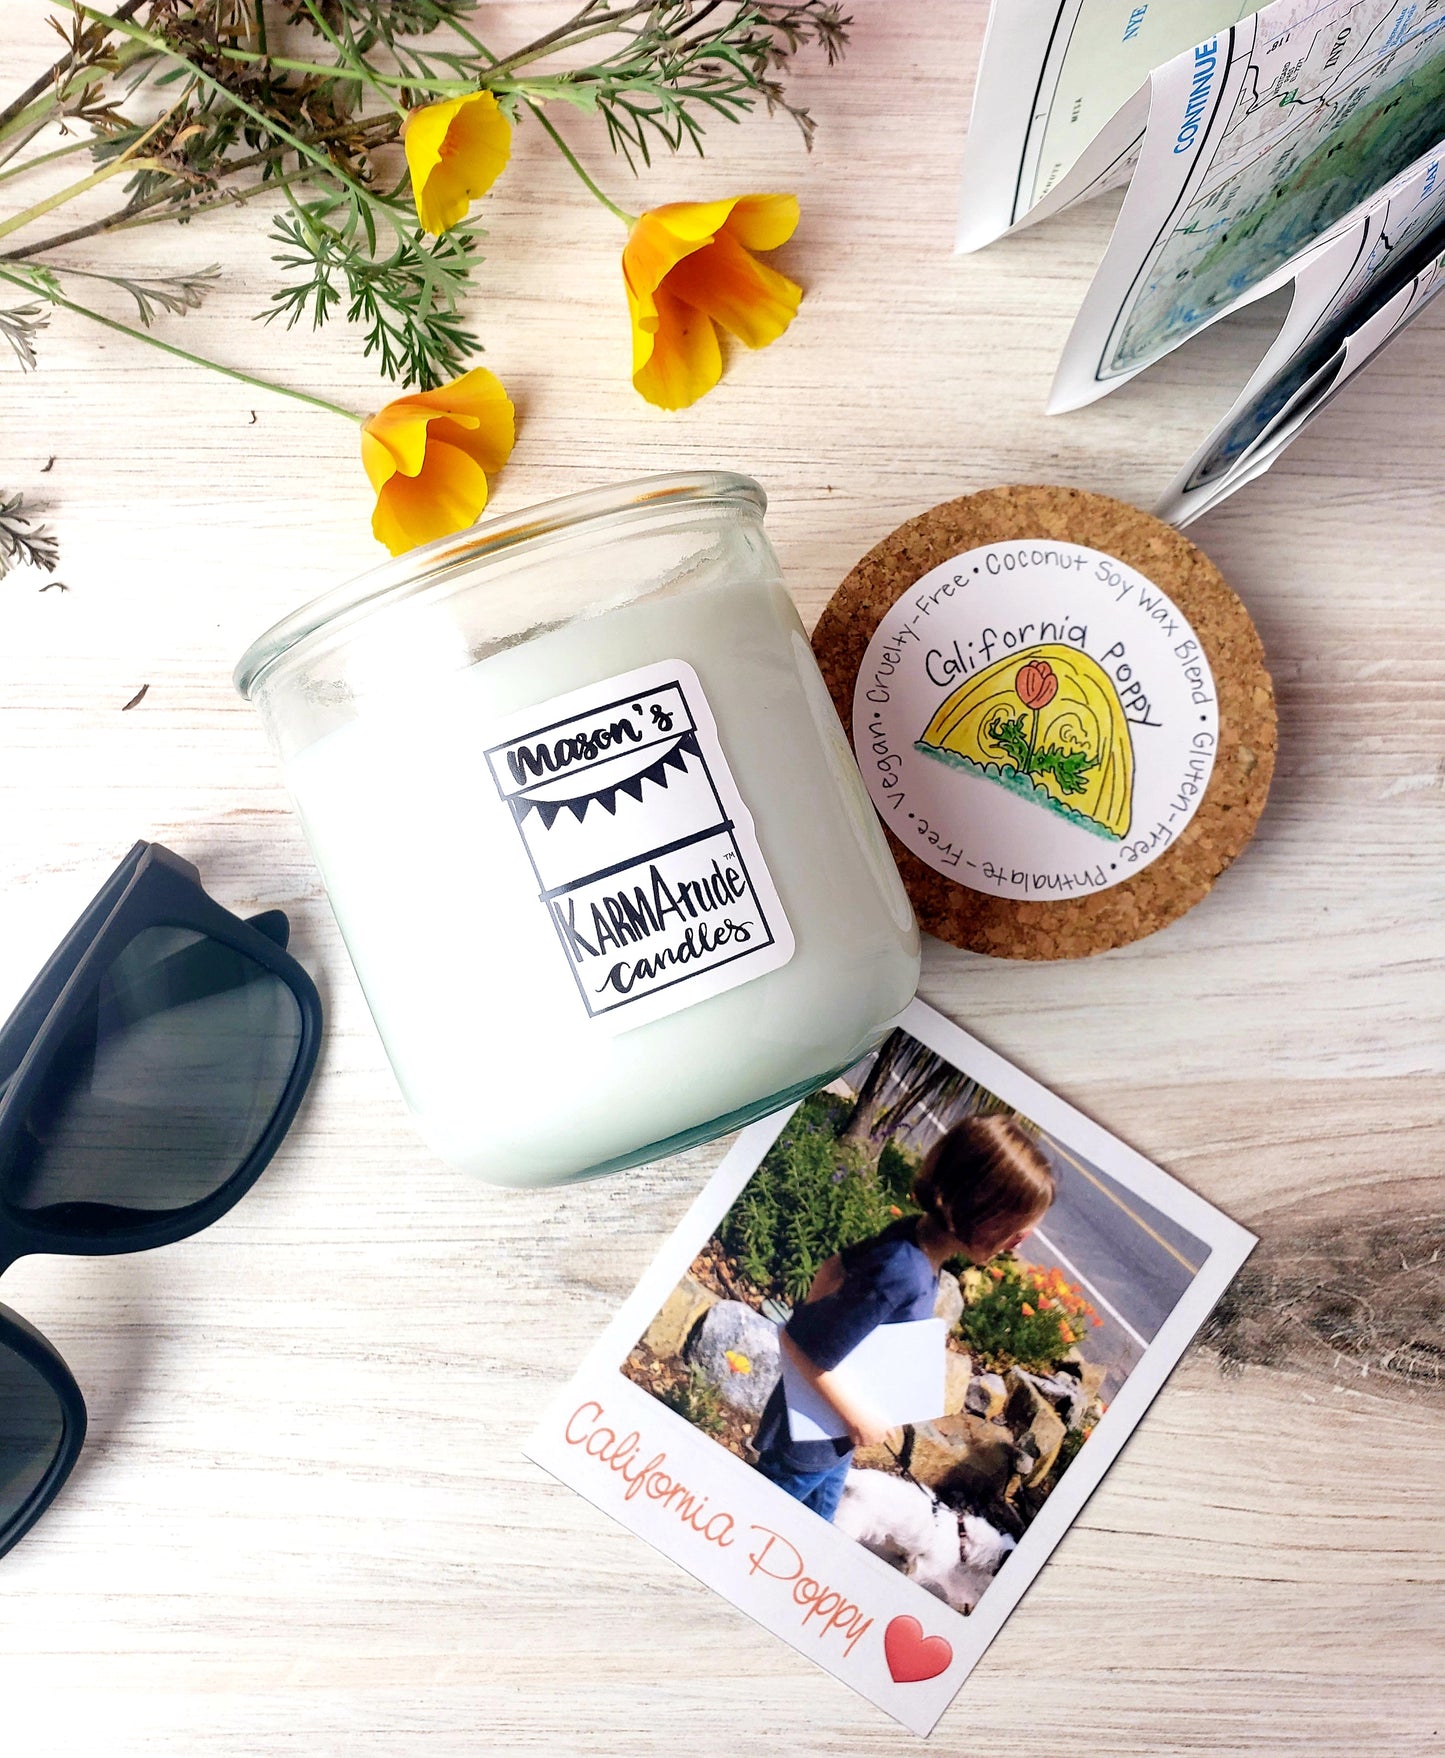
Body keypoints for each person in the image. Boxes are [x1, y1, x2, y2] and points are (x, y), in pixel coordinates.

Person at [752, 1114, 1056, 1520]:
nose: (1019, 1242)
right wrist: (857, 1415)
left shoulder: (915, 1241)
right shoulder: (904, 1271)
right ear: (978, 1213)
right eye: (1016, 1230)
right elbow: (800, 1342)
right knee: (760, 1528)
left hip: (831, 1437)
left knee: (814, 1532)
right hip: (808, 1444)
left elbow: (831, 1269)